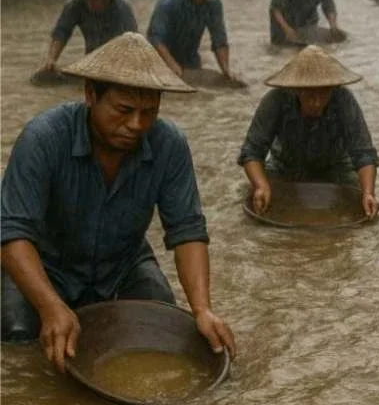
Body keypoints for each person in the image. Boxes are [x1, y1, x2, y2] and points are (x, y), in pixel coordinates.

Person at [1, 32, 238, 366]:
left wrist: (202, 309)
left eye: (149, 112)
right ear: (90, 95)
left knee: (165, 330)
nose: (136, 124)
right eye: (124, 110)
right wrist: (50, 307)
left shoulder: (169, 145)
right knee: (18, 339)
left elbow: (187, 231)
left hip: (122, 264)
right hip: (47, 266)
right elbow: (12, 235)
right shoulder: (43, 139)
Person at [238, 46, 379, 219]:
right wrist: (260, 185)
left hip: (335, 168)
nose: (317, 102)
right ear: (297, 90)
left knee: (362, 203)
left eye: (324, 94)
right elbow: (252, 152)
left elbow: (363, 153)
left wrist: (368, 192)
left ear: (333, 88)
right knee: (255, 198)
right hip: (286, 167)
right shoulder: (275, 100)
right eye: (310, 95)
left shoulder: (344, 100)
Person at [147, 0, 236, 79]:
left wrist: (226, 70)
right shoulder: (169, 2)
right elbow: (155, 39)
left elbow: (219, 40)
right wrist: (172, 65)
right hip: (161, 61)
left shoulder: (214, 5)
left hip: (190, 61)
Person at [42, 0, 138, 73]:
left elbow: (133, 41)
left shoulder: (122, 7)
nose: (93, 0)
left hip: (119, 59)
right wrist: (51, 59)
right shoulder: (74, 6)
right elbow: (61, 33)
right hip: (91, 59)